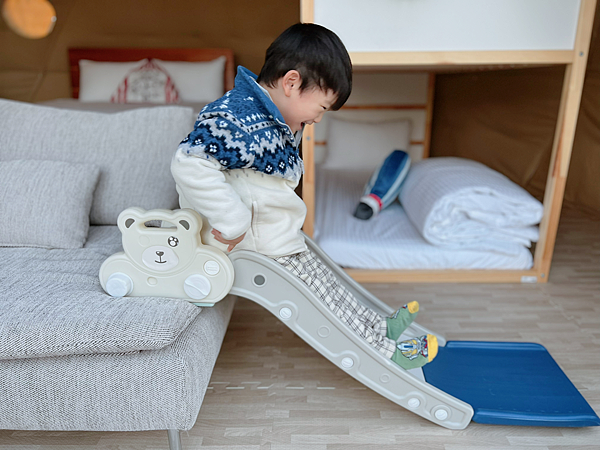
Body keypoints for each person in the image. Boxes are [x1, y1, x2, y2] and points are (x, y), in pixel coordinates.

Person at [171, 22, 437, 370]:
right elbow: (189, 163)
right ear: (292, 83)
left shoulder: (272, 116)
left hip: (275, 238)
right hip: (249, 243)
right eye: (322, 108)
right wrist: (232, 221)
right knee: (318, 301)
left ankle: (378, 328)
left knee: (327, 283)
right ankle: (387, 355)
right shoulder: (234, 115)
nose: (319, 119)